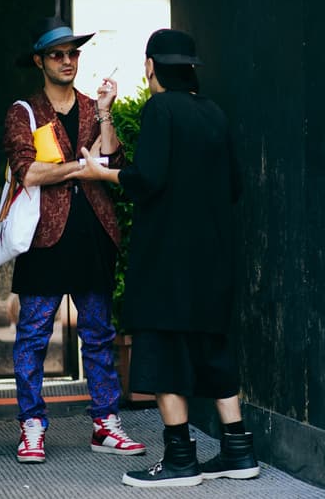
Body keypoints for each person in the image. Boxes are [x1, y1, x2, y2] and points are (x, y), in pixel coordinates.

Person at [71, 28, 259, 488]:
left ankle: (179, 461)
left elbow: (148, 177)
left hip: (167, 261)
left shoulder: (160, 109)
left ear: (151, 66)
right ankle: (238, 452)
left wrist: (102, 173)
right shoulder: (213, 113)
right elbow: (235, 185)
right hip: (213, 258)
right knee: (213, 349)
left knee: (162, 350)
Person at [3, 16, 145, 464]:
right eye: (58, 54)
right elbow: (29, 171)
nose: (68, 61)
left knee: (99, 334)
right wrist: (79, 169)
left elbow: (113, 157)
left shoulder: (90, 106)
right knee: (33, 335)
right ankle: (32, 426)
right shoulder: (23, 112)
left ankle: (105, 423)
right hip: (45, 238)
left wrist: (106, 111)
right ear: (39, 61)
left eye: (73, 53)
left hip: (93, 234)